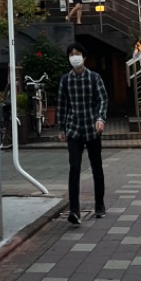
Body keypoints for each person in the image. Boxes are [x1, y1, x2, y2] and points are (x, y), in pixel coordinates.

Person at [57, 42, 108, 225]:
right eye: (71, 54)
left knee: (97, 168)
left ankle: (100, 205)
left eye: (78, 53)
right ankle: (74, 210)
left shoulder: (94, 78)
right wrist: (62, 129)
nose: (74, 57)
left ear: (84, 57)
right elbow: (62, 106)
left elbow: (102, 99)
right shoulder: (65, 80)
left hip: (92, 129)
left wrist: (100, 118)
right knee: (74, 168)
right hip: (74, 129)